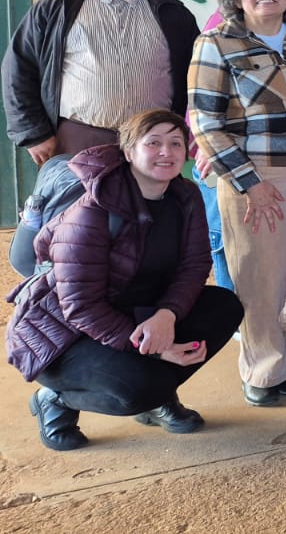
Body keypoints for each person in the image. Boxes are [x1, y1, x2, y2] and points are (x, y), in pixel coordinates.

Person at [5, 110, 243, 451]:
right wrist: (156, 351)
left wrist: (167, 315)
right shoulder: (92, 211)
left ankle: (158, 397)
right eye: (154, 142)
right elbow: (80, 306)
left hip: (139, 313)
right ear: (129, 152)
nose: (167, 152)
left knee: (223, 307)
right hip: (66, 337)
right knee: (137, 389)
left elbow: (194, 265)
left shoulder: (185, 195)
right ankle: (56, 399)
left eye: (176, 143)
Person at [188, 0, 286, 407]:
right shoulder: (215, 43)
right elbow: (205, 122)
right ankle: (262, 370)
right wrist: (250, 182)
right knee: (259, 276)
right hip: (257, 178)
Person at [4, 0, 198, 166]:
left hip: (153, 140)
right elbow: (18, 71)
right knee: (81, 204)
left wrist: (193, 129)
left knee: (153, 204)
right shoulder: (56, 9)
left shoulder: (171, 12)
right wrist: (34, 134)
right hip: (78, 139)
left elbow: (198, 76)